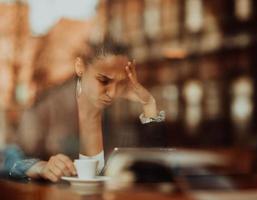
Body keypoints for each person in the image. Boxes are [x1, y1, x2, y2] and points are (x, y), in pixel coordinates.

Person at [2, 42, 165, 182]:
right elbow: (6, 160)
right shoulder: (49, 106)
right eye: (103, 80)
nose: (113, 93)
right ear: (80, 68)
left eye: (121, 83)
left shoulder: (118, 112)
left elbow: (156, 165)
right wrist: (39, 167)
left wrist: (149, 106)